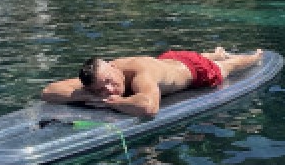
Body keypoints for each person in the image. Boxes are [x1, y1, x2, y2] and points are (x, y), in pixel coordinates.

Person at [41, 47, 264, 118]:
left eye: (108, 82)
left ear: (112, 66)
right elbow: (48, 91)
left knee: (228, 67)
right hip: (168, 60)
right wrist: (87, 95)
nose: (109, 89)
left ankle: (254, 56)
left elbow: (149, 107)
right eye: (101, 88)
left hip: (194, 72)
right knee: (196, 55)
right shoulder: (100, 77)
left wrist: (112, 102)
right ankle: (215, 52)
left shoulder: (140, 73)